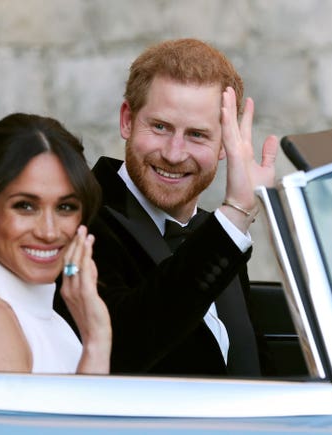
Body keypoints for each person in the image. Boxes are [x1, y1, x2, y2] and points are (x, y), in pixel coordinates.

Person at [55, 38, 278, 376]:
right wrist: (235, 215)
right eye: (160, 127)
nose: (174, 153)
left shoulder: (214, 233)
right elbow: (121, 350)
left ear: (224, 145)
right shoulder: (77, 218)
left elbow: (251, 364)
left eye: (197, 135)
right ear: (127, 120)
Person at [0, 113, 111, 374]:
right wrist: (96, 343)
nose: (49, 232)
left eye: (65, 207)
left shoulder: (47, 317)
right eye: (25, 206)